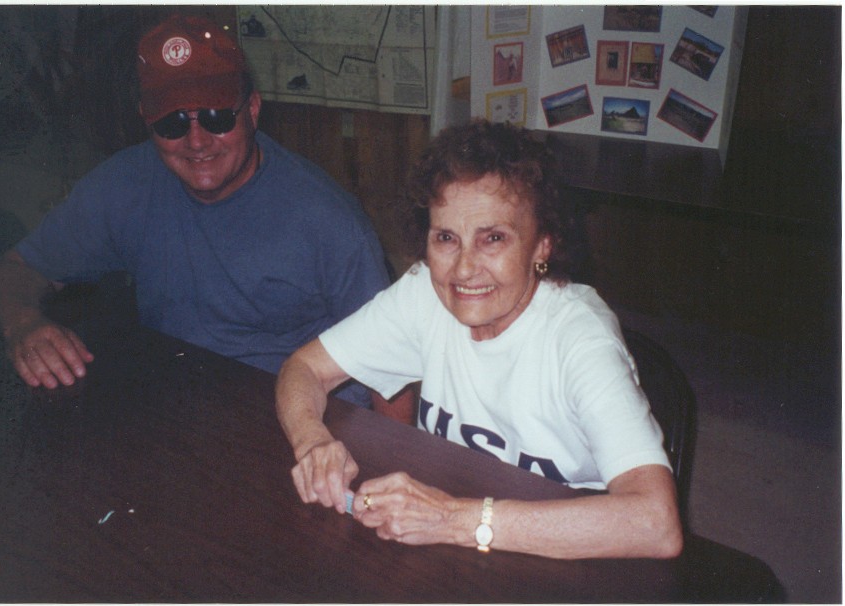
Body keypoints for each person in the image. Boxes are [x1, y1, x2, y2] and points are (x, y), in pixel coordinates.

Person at [275, 119, 683, 559]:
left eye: (493, 239)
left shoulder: (581, 340)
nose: (464, 269)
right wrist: (312, 442)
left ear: (542, 245)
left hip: (566, 549)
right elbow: (304, 368)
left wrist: (453, 520)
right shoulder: (424, 293)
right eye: (446, 238)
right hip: (457, 532)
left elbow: (656, 524)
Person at [0, 14, 395, 411]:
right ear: (147, 120)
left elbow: (391, 363)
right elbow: (15, 268)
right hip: (179, 407)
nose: (197, 141)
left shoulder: (327, 219)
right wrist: (22, 322)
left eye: (217, 117)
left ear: (252, 110)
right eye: (173, 122)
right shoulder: (124, 184)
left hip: (301, 421)